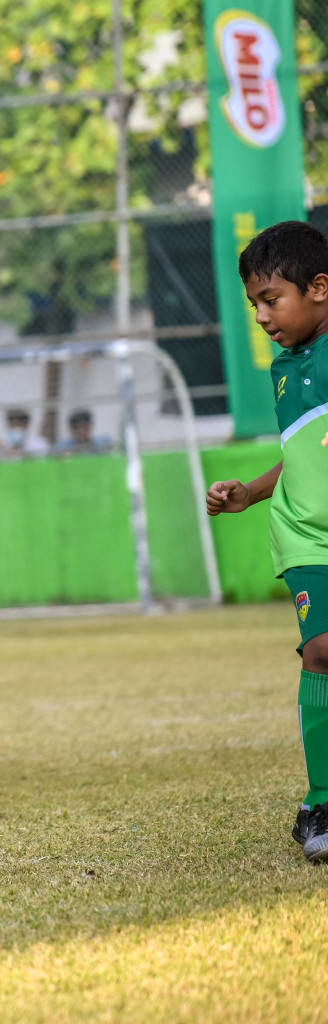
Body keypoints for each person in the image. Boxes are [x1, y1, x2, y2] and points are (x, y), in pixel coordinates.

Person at [205, 219, 328, 864]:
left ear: (320, 288)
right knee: (324, 649)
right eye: (254, 302)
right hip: (307, 534)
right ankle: (321, 802)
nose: (261, 315)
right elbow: (299, 455)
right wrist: (252, 493)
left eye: (270, 299)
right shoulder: (285, 370)